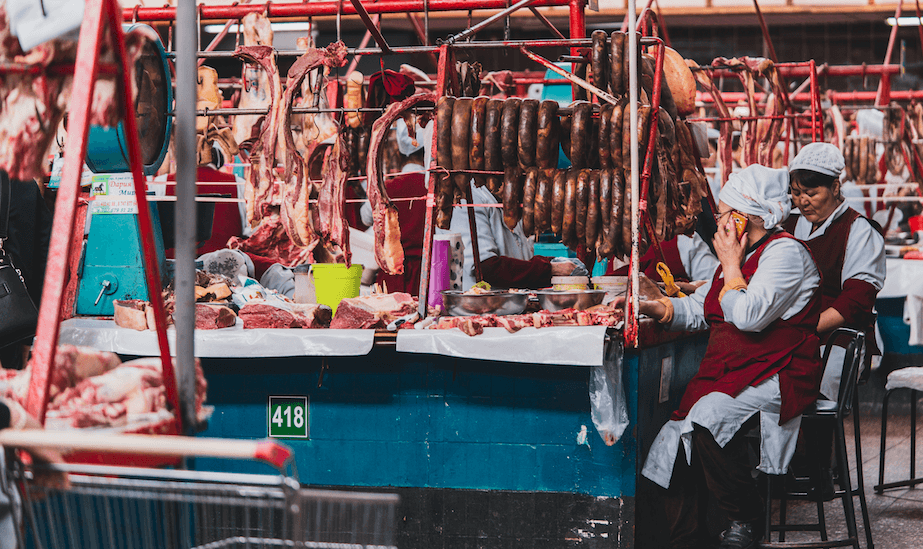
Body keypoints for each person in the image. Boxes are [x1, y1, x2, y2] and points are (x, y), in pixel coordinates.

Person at [626, 165, 822, 549]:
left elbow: (748, 317)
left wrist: (731, 263)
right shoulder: (742, 254)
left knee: (707, 418)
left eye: (721, 214)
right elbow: (705, 307)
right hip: (737, 369)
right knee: (672, 441)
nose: (716, 223)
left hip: (778, 371)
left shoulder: (785, 255)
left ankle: (744, 519)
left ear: (742, 218)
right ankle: (687, 539)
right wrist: (657, 307)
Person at [786, 142, 886, 396]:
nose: (802, 201)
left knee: (823, 380)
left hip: (838, 336)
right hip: (788, 329)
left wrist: (803, 328)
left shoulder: (859, 230)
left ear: (835, 187)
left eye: (810, 192)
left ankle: (818, 436)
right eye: (796, 193)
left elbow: (855, 301)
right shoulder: (789, 224)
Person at [445, 183, 579, 290]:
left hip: (512, 304)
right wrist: (549, 269)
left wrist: (551, 263)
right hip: (479, 308)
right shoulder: (468, 199)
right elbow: (485, 267)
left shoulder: (512, 202)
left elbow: (519, 260)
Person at [360, 118, 429, 294]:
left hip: (393, 274)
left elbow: (365, 217)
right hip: (430, 275)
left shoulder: (387, 187)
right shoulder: (435, 188)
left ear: (398, 153)